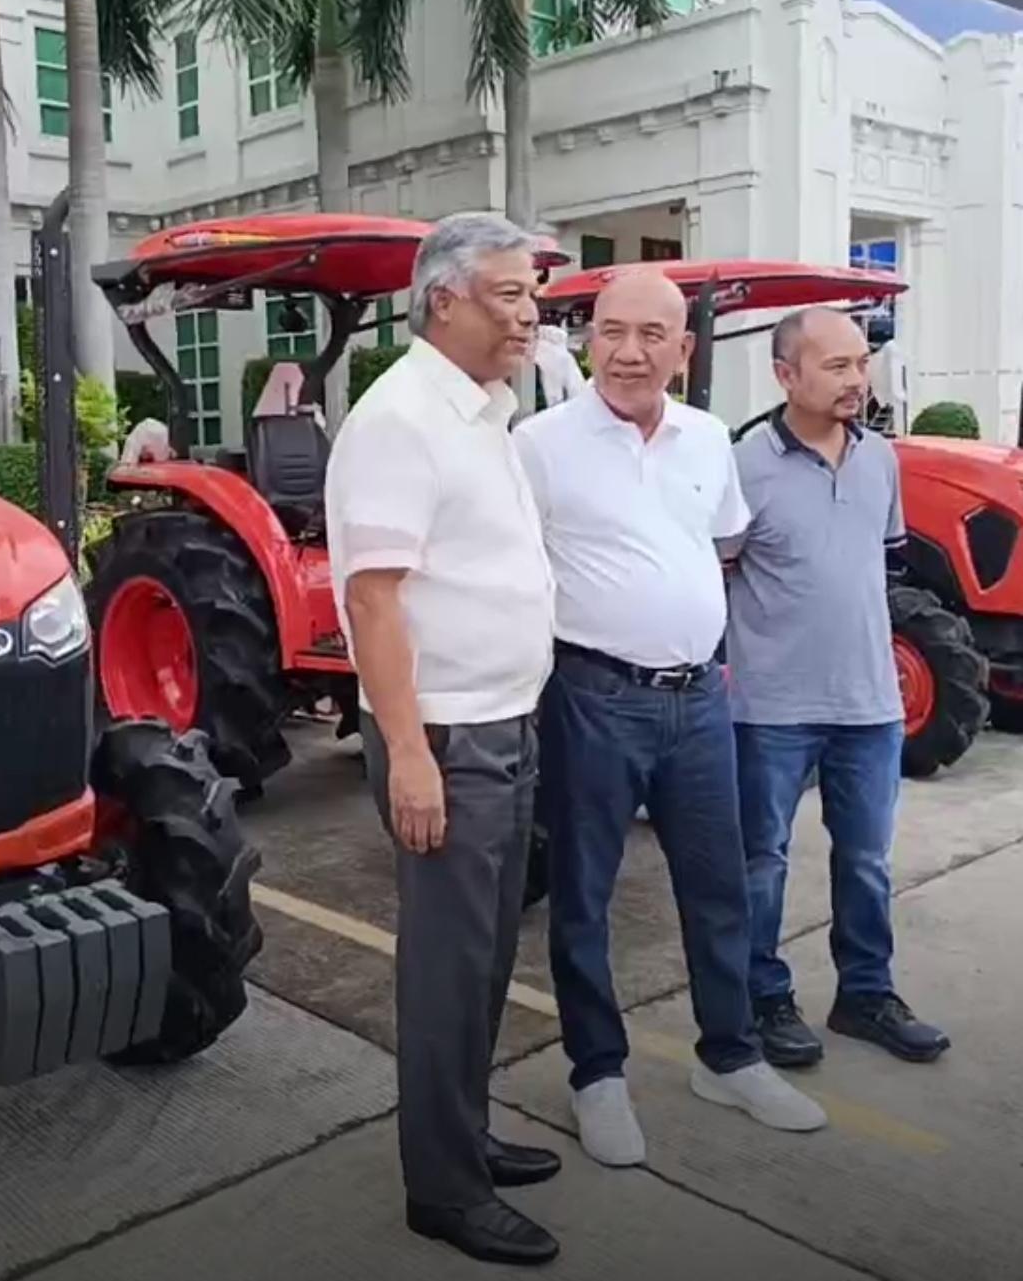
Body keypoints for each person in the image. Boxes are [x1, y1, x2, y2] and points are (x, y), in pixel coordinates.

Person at [513, 267, 826, 1168]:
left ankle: (729, 1055)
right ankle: (596, 1074)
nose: (628, 352)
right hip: (592, 697)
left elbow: (717, 546)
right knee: (584, 893)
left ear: (684, 351)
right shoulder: (539, 444)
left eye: (653, 334)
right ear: (586, 339)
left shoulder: (704, 438)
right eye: (611, 331)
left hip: (699, 698)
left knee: (718, 885)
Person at [325, 212, 561, 1268]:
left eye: (531, 292)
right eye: (508, 294)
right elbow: (374, 603)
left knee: (487, 956)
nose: (530, 311)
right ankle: (445, 1190)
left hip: (506, 719)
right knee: (446, 969)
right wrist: (411, 754)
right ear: (444, 300)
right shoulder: (400, 419)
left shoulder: (482, 410)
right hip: (450, 739)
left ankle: (464, 1134)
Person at [726, 307, 950, 1068]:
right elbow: (719, 568)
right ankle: (762, 997)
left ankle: (865, 993)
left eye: (862, 364)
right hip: (771, 707)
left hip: (870, 705)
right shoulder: (745, 462)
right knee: (763, 858)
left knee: (865, 860)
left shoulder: (879, 458)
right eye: (838, 366)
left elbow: (878, 564)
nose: (858, 379)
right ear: (785, 374)